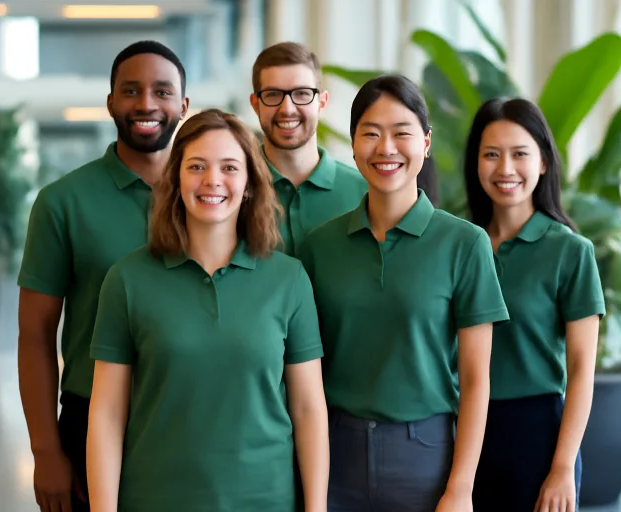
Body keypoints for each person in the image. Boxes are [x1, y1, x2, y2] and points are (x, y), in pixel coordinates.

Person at [85, 109, 329, 512]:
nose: (212, 180)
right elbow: (108, 415)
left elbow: (308, 409)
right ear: (175, 178)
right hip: (155, 498)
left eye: (229, 167)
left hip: (265, 499)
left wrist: (316, 507)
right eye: (196, 166)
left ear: (250, 183)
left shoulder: (289, 279)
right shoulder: (127, 279)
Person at [298, 74, 510, 512]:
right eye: (371, 134)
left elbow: (476, 381)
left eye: (402, 133)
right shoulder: (319, 247)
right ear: (353, 145)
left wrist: (461, 488)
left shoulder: (465, 244)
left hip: (426, 455)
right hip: (334, 452)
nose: (386, 148)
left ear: (426, 143)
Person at [17, 40, 189, 512]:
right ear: (111, 101)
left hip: (191, 418)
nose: (147, 104)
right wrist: (46, 451)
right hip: (90, 419)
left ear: (183, 105)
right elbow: (34, 336)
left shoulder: (214, 196)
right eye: (130, 91)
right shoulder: (62, 202)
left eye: (162, 91)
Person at [463, 98, 605, 512]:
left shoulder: (571, 251)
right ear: (476, 163)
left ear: (543, 162)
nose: (505, 169)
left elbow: (582, 372)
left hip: (537, 437)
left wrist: (561, 469)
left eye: (520, 154)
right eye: (491, 154)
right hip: (460, 433)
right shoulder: (457, 244)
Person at [249, 41, 368, 256]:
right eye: (273, 95)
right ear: (255, 104)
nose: (287, 109)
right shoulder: (234, 189)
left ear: (322, 102)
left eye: (302, 94)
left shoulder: (365, 194)